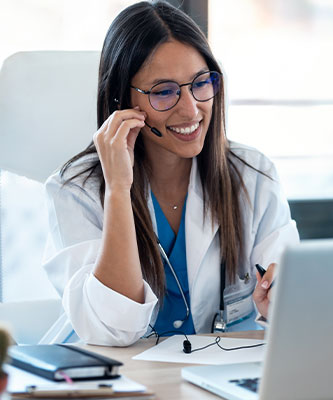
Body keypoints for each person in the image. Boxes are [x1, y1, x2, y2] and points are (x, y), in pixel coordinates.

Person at [42, 0, 299, 346]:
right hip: (115, 378)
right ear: (122, 100)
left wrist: (281, 303)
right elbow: (113, 330)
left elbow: (294, 304)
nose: (191, 109)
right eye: (164, 92)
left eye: (200, 83)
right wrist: (119, 188)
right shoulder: (76, 190)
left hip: (214, 374)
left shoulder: (253, 176)